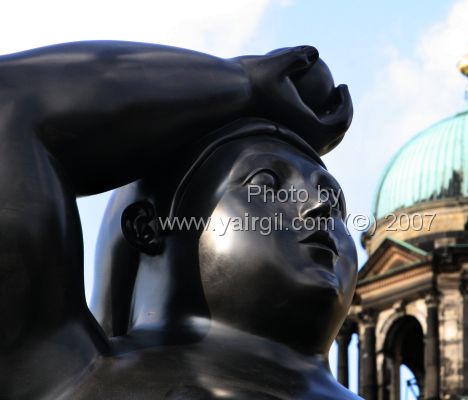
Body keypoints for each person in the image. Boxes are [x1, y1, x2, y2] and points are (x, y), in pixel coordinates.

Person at [0, 40, 357, 399]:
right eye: (266, 184)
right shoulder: (68, 374)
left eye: (332, 199)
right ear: (148, 227)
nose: (318, 207)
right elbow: (11, 100)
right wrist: (245, 85)